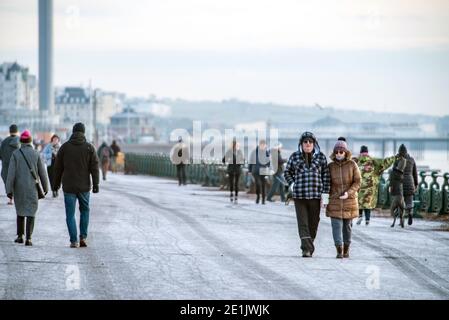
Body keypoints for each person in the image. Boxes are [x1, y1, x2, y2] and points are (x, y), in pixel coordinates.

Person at [53, 123, 100, 248]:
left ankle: (74, 241)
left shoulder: (64, 148)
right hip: (84, 186)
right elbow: (95, 168)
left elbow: (58, 168)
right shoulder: (89, 148)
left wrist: (55, 185)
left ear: (73, 132)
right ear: (83, 133)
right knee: (85, 211)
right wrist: (96, 184)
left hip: (68, 186)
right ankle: (83, 237)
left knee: (70, 214)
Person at [284, 132, 330, 258]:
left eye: (310, 141)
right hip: (300, 196)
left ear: (314, 144)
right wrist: (292, 184)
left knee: (314, 223)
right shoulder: (295, 156)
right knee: (303, 223)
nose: (308, 144)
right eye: (305, 141)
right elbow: (287, 172)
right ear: (301, 144)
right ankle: (306, 249)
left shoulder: (321, 158)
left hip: (315, 196)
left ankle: (309, 245)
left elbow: (326, 177)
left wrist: (325, 196)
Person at [6, 130, 49, 246]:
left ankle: (20, 236)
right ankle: (29, 238)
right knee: (31, 211)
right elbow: (42, 173)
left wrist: (9, 190)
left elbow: (11, 174)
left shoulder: (16, 154)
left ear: (21, 141)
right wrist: (46, 187)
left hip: (18, 188)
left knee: (20, 211)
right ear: (30, 141)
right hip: (32, 189)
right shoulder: (36, 154)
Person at [326, 140, 361, 258]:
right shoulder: (330, 166)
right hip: (335, 200)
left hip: (349, 201)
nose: (339, 154)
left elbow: (357, 182)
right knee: (336, 226)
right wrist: (325, 200)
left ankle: (346, 249)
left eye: (341, 151)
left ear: (346, 152)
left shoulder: (352, 165)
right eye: (336, 152)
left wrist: (348, 193)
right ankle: (338, 250)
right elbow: (326, 184)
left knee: (347, 227)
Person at [354, 145, 395, 226]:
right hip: (370, 187)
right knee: (368, 204)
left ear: (360, 152)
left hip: (359, 186)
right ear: (367, 152)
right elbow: (384, 163)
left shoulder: (356, 161)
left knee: (359, 202)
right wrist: (395, 157)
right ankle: (367, 220)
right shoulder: (373, 161)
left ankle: (360, 216)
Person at [399, 144, 418, 225]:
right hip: (410, 183)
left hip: (400, 183)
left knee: (400, 202)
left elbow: (393, 173)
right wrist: (416, 184)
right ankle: (410, 213)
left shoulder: (397, 160)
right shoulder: (411, 160)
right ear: (406, 152)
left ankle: (401, 219)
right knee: (409, 202)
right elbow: (415, 174)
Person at [0, 124, 20, 205]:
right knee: (17, 182)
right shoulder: (21, 141)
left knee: (8, 182)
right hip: (18, 166)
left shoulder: (4, 142)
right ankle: (17, 198)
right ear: (17, 131)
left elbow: (0, 154)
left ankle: (10, 199)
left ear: (9, 131)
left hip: (6, 167)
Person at [222, 138, 244, 204]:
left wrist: (228, 161)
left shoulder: (230, 151)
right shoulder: (238, 151)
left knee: (233, 183)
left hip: (232, 169)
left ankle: (232, 194)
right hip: (236, 169)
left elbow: (223, 160)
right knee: (236, 183)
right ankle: (235, 196)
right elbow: (243, 161)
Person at [249, 139, 270, 204]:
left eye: (265, 145)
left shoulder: (266, 152)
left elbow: (268, 162)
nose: (264, 146)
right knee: (258, 184)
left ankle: (263, 199)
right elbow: (251, 161)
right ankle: (258, 196)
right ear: (260, 145)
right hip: (256, 170)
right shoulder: (254, 152)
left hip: (263, 170)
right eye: (262, 145)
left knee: (263, 185)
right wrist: (249, 170)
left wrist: (267, 166)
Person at [389, 152, 407, 228]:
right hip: (401, 194)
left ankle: (394, 219)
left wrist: (390, 188)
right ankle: (402, 219)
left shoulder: (393, 173)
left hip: (396, 195)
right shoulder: (401, 174)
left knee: (392, 210)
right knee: (403, 209)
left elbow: (391, 182)